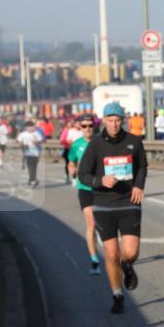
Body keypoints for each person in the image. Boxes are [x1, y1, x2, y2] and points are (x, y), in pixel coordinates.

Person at [77, 102, 148, 314]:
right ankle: (117, 295)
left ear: (122, 120)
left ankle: (128, 266)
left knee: (130, 252)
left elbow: (142, 166)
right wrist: (100, 180)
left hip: (129, 202)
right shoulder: (96, 145)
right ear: (105, 121)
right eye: (110, 120)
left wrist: (138, 185)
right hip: (103, 205)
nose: (114, 124)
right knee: (111, 254)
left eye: (117, 120)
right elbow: (83, 175)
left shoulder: (134, 142)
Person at [67, 115, 102, 275]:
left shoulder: (102, 142)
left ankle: (112, 254)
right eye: (84, 126)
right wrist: (72, 170)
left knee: (105, 224)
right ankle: (94, 260)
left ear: (94, 126)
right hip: (85, 187)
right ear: (79, 127)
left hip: (102, 187)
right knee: (91, 224)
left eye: (90, 125)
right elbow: (71, 161)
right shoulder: (77, 145)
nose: (88, 128)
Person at [17, 120, 44, 187]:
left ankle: (32, 179)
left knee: (34, 167)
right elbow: (18, 141)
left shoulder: (36, 133)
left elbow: (41, 140)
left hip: (35, 152)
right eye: (28, 127)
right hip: (27, 152)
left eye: (31, 127)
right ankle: (33, 179)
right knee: (29, 167)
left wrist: (36, 142)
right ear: (26, 128)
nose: (30, 128)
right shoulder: (23, 134)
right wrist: (22, 145)